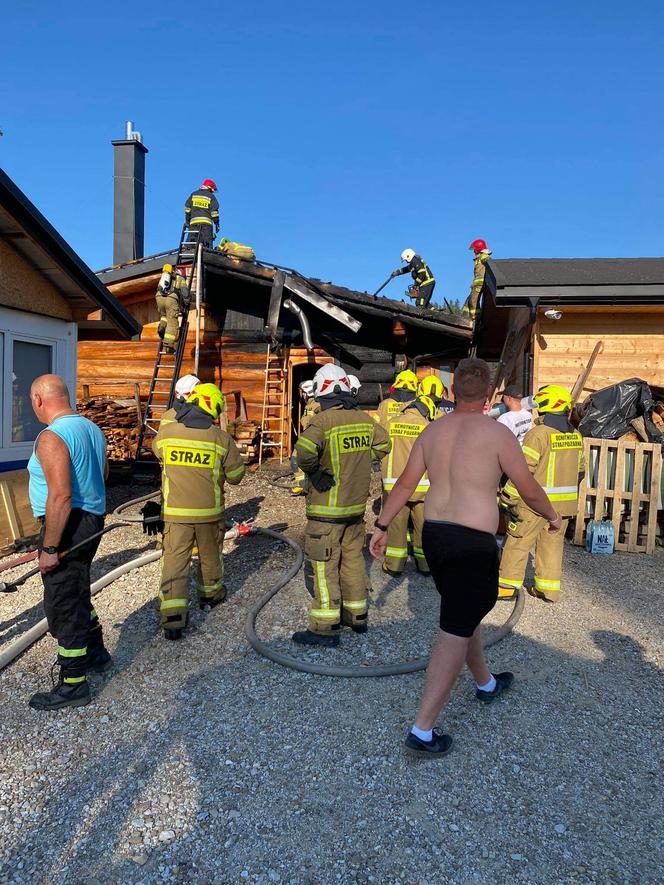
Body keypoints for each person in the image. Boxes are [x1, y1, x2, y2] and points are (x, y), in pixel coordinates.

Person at [369, 358, 561, 757]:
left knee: (463, 611)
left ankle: (486, 684)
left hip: (436, 536)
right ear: (489, 395)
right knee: (455, 625)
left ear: (452, 392)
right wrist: (553, 515)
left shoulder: (432, 431)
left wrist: (383, 525)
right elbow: (526, 485)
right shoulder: (497, 434)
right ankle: (422, 731)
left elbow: (405, 482)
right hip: (471, 542)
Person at [26, 375, 111, 711]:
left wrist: (48, 548)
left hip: (68, 523)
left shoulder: (51, 437)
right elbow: (103, 475)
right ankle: (96, 652)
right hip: (91, 519)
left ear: (37, 399)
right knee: (77, 588)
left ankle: (73, 683)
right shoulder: (92, 429)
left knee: (63, 601)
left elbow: (60, 495)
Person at [292, 364, 391, 647]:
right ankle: (357, 616)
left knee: (323, 566)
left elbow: (304, 453)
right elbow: (384, 445)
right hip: (355, 511)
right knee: (353, 562)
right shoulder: (364, 419)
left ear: (323, 394)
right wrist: (363, 461)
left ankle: (325, 626)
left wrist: (315, 473)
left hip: (326, 513)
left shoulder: (322, 422)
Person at [152, 383, 245, 639]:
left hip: (175, 515)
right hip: (209, 514)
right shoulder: (220, 438)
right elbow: (237, 476)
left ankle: (173, 618)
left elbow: (158, 454)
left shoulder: (167, 434)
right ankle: (211, 595)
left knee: (174, 562)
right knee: (210, 556)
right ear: (213, 409)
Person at [498, 384, 584, 603]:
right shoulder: (576, 435)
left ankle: (507, 587)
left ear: (546, 404)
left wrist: (507, 498)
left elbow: (523, 472)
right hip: (562, 506)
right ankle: (548, 590)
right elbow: (581, 471)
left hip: (533, 504)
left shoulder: (538, 434)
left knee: (518, 541)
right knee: (552, 546)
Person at [381, 394, 437, 576]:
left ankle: (394, 566)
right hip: (422, 487)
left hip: (395, 487)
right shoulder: (427, 427)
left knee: (396, 527)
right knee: (423, 528)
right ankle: (425, 565)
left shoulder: (391, 423)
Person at [291, 379, 319, 496]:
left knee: (295, 459)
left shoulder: (316, 405)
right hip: (309, 438)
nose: (301, 395)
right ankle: (304, 484)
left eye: (302, 392)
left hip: (312, 439)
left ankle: (302, 485)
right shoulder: (310, 404)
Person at [155, 264, 190, 353]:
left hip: (159, 298)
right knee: (172, 323)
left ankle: (162, 327)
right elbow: (185, 293)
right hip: (171, 299)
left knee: (164, 315)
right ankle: (168, 346)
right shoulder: (180, 279)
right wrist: (187, 302)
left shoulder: (164, 278)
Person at [184, 179, 220, 248]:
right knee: (207, 247)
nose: (212, 192)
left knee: (191, 244)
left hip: (193, 224)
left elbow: (187, 209)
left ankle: (187, 250)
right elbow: (214, 212)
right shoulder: (211, 196)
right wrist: (217, 223)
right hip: (206, 226)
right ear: (210, 187)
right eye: (213, 190)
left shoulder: (193, 194)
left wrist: (187, 221)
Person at [463, 238, 492, 321]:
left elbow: (489, 261)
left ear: (478, 248)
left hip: (480, 284)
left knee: (473, 301)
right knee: (468, 301)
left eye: (474, 249)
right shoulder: (478, 258)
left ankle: (475, 319)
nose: (473, 251)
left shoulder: (483, 256)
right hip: (476, 284)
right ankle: (464, 317)